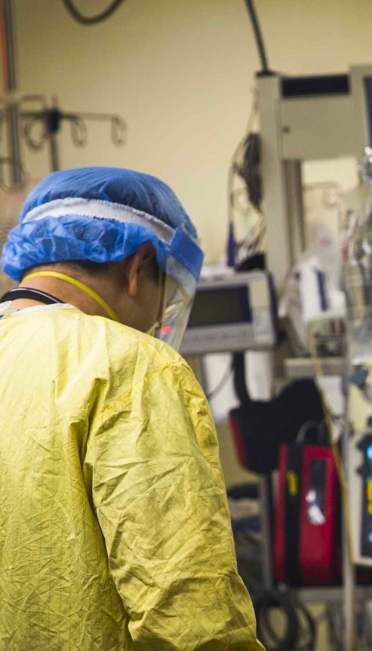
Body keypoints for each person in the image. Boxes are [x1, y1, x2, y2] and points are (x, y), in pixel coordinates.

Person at [0, 167, 261, 648]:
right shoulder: (130, 365)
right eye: (168, 296)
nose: (159, 319)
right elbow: (186, 611)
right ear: (140, 266)